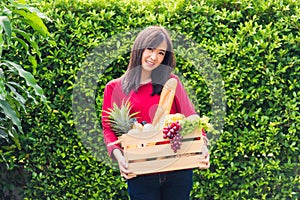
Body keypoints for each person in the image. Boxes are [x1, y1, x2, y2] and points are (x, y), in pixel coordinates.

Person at [101, 25, 209, 200]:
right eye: (150, 49)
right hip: (141, 171)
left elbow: (192, 118)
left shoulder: (171, 82)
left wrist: (202, 148)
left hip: (177, 168)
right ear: (139, 49)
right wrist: (120, 158)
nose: (154, 57)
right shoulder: (115, 88)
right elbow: (108, 129)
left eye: (161, 53)